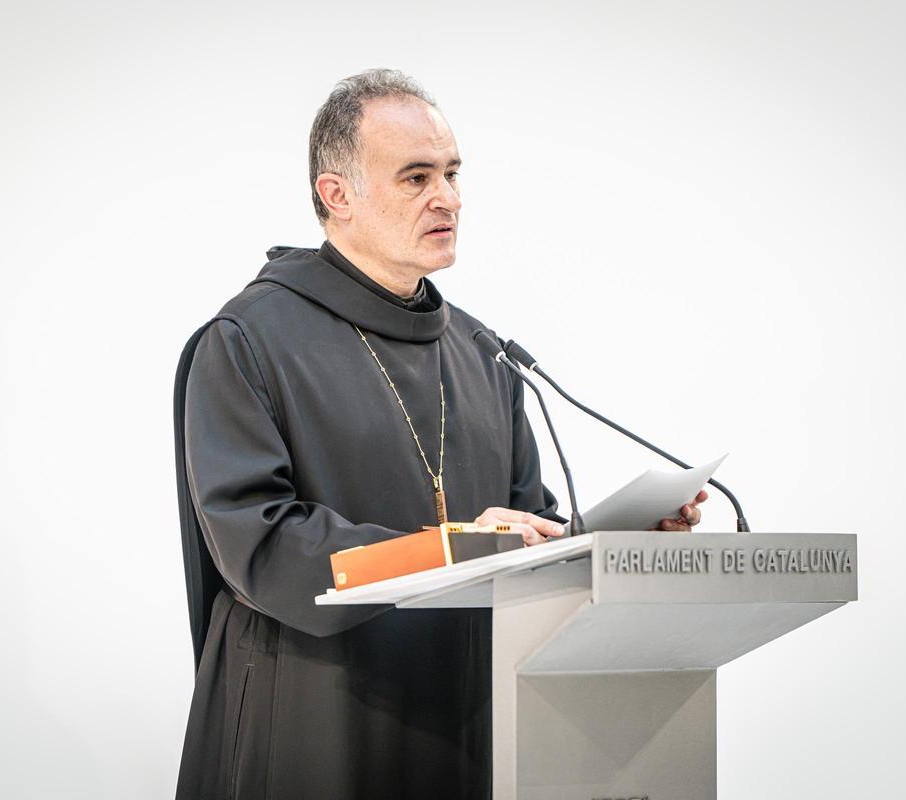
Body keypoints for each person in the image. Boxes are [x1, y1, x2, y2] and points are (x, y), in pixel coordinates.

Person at [173, 69, 705, 800]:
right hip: (317, 718)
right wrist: (453, 546)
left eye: (452, 174)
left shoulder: (486, 356)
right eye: (416, 176)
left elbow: (528, 534)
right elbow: (260, 546)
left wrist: (621, 541)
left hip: (466, 719)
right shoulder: (247, 342)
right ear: (338, 196)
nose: (448, 198)